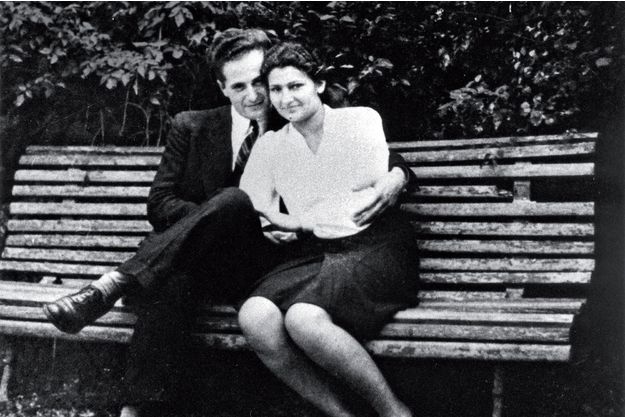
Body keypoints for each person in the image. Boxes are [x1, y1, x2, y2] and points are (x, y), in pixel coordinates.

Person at [42, 30, 414, 417]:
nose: (256, 95)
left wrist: (398, 176)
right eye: (240, 86)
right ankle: (137, 410)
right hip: (218, 255)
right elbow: (161, 202)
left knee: (224, 220)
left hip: (282, 257)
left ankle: (114, 283)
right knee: (190, 258)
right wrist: (216, 221)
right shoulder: (194, 126)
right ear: (222, 88)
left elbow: (373, 154)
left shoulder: (297, 107)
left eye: (260, 82)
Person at [238, 42, 419, 417]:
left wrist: (295, 219)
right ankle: (338, 414)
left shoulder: (359, 122)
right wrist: (270, 224)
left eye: (296, 86)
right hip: (320, 252)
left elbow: (356, 204)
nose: (286, 98)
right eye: (276, 89)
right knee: (255, 316)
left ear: (319, 84)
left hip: (376, 246)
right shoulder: (271, 145)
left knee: (304, 318)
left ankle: (394, 412)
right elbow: (251, 206)